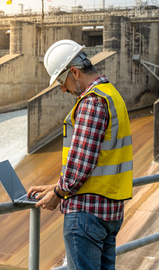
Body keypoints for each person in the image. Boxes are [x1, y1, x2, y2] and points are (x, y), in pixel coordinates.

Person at [28, 39, 133, 270]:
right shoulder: (111, 94)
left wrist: (59, 192)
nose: (63, 89)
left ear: (74, 72)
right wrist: (55, 184)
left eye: (61, 81)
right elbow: (101, 157)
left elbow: (83, 161)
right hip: (110, 211)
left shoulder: (92, 102)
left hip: (87, 214)